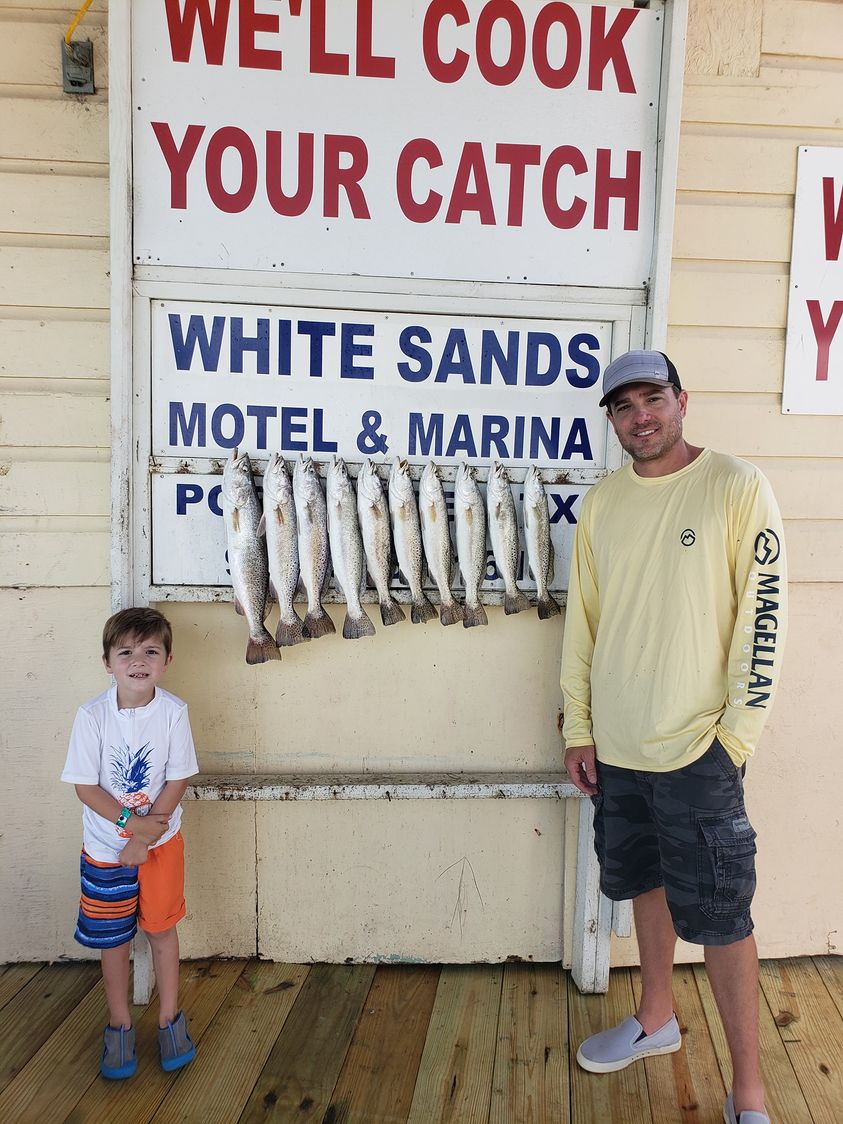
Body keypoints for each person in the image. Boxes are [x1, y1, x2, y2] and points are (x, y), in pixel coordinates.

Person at [561, 350, 786, 1124]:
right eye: (622, 407)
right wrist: (580, 726)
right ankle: (654, 1018)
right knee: (644, 884)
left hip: (699, 750)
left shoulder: (735, 486)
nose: (639, 417)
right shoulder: (602, 503)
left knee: (722, 918)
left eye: (651, 398)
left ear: (680, 400)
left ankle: (747, 1090)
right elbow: (583, 623)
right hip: (616, 748)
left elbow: (763, 618)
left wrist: (735, 739)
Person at [61, 607, 199, 1080]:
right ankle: (119, 1024)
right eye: (125, 653)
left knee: (161, 930)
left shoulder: (173, 713)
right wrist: (130, 825)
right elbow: (85, 786)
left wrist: (146, 836)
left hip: (162, 844)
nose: (138, 661)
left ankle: (169, 1018)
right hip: (106, 849)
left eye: (150, 651)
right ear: (107, 662)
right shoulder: (93, 716)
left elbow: (178, 779)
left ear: (167, 661)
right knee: (114, 939)